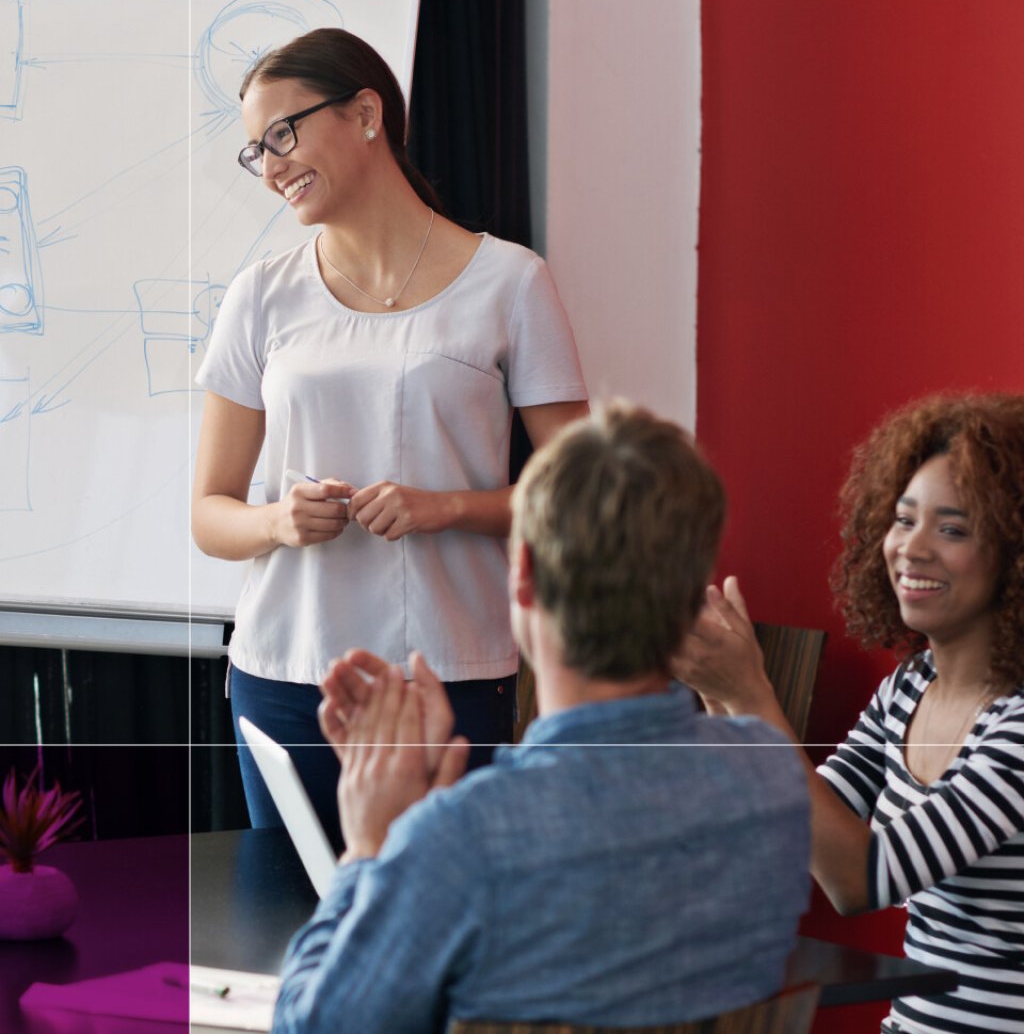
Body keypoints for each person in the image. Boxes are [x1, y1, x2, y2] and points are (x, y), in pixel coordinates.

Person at [270, 402, 810, 1033]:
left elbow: (314, 1028)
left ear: (522, 574)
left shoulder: (460, 842)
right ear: (693, 593)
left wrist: (369, 848)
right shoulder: (773, 781)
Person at [191, 28, 588, 840]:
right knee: (295, 941)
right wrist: (278, 520)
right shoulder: (260, 295)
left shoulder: (511, 281)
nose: (269, 168)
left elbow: (585, 498)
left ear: (366, 112)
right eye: (254, 152)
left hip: (449, 676)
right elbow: (209, 512)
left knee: (440, 937)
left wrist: (446, 507)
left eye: (283, 134)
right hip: (283, 674)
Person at [677, 392, 1024, 1034]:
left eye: (952, 528)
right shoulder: (907, 688)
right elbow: (787, 829)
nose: (911, 549)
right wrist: (720, 696)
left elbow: (862, 879)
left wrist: (751, 693)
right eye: (903, 519)